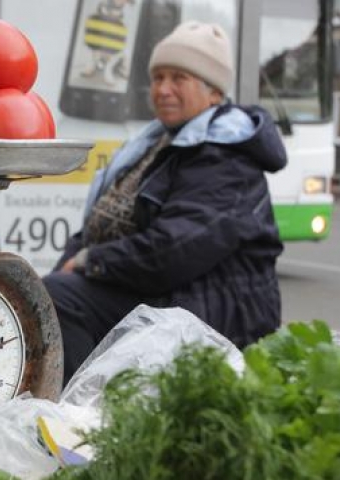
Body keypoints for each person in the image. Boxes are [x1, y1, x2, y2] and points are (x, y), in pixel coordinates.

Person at [43, 22, 287, 383]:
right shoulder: (162, 141)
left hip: (214, 305)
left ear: (214, 92)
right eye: (157, 78)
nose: (163, 90)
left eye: (178, 78)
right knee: (46, 294)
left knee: (63, 300)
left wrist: (90, 262)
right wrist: (73, 260)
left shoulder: (226, 157)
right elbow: (100, 221)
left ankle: (75, 415)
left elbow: (174, 250)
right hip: (166, 287)